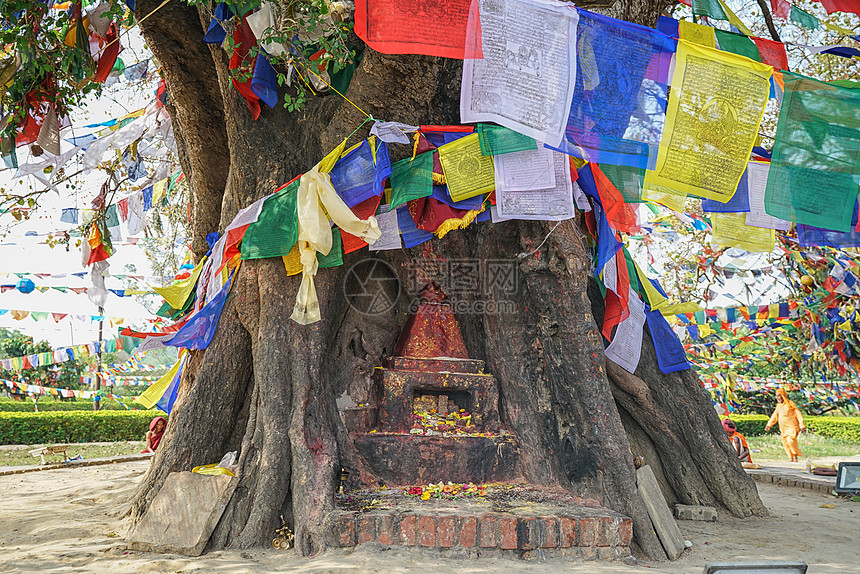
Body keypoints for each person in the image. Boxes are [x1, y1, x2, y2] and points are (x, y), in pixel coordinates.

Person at [765, 388, 805, 462]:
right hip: (783, 428)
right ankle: (791, 457)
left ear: (783, 396)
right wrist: (769, 425)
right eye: (776, 396)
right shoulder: (778, 406)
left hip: (792, 427)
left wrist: (802, 425)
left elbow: (798, 414)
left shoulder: (790, 404)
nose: (777, 398)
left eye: (779, 396)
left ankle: (795, 456)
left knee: (790, 441)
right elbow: (774, 416)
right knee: (785, 442)